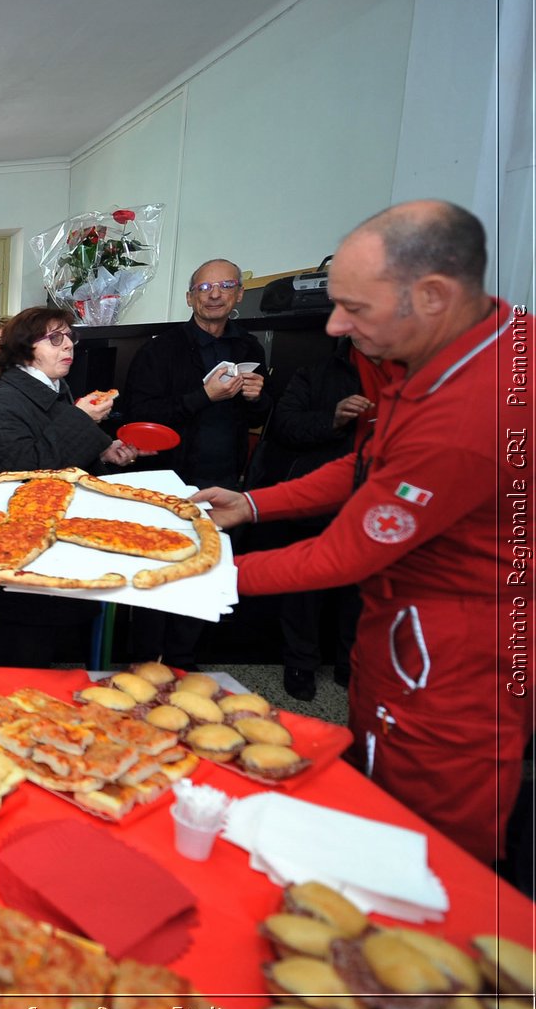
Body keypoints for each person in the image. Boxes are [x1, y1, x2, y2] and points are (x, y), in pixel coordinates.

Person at [194, 200, 526, 866]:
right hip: (401, 628)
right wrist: (254, 505)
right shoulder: (455, 350)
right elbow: (370, 465)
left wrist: (204, 577)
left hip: (449, 659)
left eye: (356, 308)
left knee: (424, 852)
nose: (337, 325)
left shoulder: (475, 411)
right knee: (370, 796)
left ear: (432, 296)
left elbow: (344, 553)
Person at [0, 306, 145, 667]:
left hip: (55, 550)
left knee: (52, 656)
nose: (69, 347)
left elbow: (59, 447)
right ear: (24, 348)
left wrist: (104, 450)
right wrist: (81, 420)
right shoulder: (3, 403)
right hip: (20, 559)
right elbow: (25, 475)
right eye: (55, 338)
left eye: (70, 337)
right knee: (18, 661)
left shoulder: (53, 387)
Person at [123, 257, 269, 669]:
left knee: (205, 576)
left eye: (225, 285)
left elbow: (258, 419)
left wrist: (259, 398)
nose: (215, 294)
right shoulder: (160, 349)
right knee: (159, 576)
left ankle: (183, 665)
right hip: (168, 482)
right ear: (190, 297)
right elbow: (138, 418)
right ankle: (143, 665)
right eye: (205, 288)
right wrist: (202, 397)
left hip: (225, 481)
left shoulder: (249, 347)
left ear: (239, 294)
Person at [245, 337, 383, 699]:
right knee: (306, 588)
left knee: (363, 590)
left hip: (383, 500)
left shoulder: (420, 375)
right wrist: (333, 419)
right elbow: (285, 426)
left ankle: (351, 667)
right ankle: (300, 665)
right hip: (320, 495)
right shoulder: (316, 372)